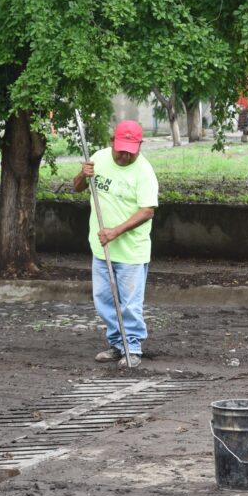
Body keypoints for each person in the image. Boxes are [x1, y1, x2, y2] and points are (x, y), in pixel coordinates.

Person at [72, 119, 159, 369]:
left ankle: (132, 348)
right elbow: (77, 188)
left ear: (139, 147)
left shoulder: (144, 172)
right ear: (112, 141)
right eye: (120, 149)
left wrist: (116, 232)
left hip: (131, 252)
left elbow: (147, 211)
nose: (124, 155)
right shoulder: (98, 158)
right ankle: (117, 344)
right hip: (101, 249)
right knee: (104, 300)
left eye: (130, 151)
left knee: (130, 304)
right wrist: (83, 174)